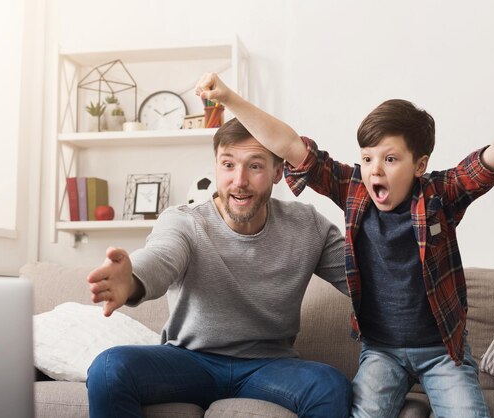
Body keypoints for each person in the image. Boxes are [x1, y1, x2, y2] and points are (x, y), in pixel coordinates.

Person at [195, 72, 494, 418]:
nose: (375, 171)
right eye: (367, 158)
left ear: (420, 165)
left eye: (390, 159)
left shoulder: (440, 196)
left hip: (442, 352)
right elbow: (289, 144)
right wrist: (228, 97)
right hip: (382, 352)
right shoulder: (353, 190)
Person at [86, 117, 353, 418]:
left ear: (278, 172)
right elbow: (162, 256)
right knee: (109, 368)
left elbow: (360, 279)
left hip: (269, 365)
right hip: (189, 361)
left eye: (255, 166)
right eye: (228, 165)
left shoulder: (306, 226)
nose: (239, 180)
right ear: (215, 166)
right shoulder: (185, 221)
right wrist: (133, 278)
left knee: (330, 385)